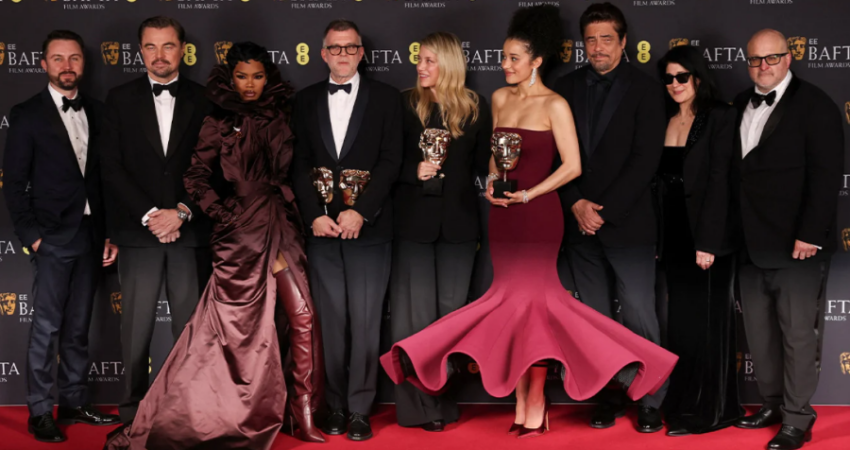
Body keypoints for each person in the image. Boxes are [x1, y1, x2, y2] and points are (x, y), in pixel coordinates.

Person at [381, 5, 677, 439]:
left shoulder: (556, 103)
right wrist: (493, 184)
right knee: (513, 312)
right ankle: (523, 399)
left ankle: (546, 398)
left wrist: (529, 195)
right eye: (503, 58)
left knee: (540, 313)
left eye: (513, 58)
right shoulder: (500, 99)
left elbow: (572, 166)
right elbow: (495, 158)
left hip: (539, 218)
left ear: (536, 61)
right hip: (504, 220)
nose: (504, 65)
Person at [104, 41, 318, 449]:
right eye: (242, 76)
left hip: (282, 224)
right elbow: (197, 177)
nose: (250, 84)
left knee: (301, 316)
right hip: (240, 233)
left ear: (268, 77)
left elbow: (297, 170)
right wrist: (222, 213)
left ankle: (302, 413)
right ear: (229, 79)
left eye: (257, 76)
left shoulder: (285, 116)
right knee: (237, 331)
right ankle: (218, 412)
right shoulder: (218, 120)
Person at [552, 2, 668, 432]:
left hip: (628, 223)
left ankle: (651, 397)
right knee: (594, 318)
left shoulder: (646, 89)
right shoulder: (564, 87)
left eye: (606, 38)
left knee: (638, 313)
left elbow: (645, 160)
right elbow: (553, 156)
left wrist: (603, 212)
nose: (597, 47)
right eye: (590, 40)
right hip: (577, 223)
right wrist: (576, 203)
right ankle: (608, 394)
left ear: (623, 41)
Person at [2, 30, 120, 443]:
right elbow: (13, 183)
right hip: (51, 238)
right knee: (47, 327)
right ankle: (39, 410)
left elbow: (105, 181)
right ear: (43, 64)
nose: (67, 66)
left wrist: (108, 234)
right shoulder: (27, 114)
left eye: (74, 58)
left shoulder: (99, 111)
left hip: (91, 236)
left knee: (78, 327)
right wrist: (32, 237)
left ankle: (73, 401)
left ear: (83, 63)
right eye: (58, 58)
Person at [290, 19, 402, 441]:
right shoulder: (304, 100)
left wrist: (362, 212)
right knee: (331, 325)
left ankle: (359, 409)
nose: (343, 54)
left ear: (361, 53)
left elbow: (391, 160)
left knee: (367, 323)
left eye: (350, 47)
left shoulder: (387, 98)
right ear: (323, 54)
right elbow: (297, 163)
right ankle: (334, 405)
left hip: (369, 230)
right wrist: (313, 215)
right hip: (322, 231)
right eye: (335, 48)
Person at [732, 29, 844, 450]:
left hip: (797, 244)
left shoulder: (816, 104)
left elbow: (826, 175)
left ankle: (798, 418)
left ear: (788, 58)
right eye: (755, 59)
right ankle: (773, 403)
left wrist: (810, 234)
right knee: (759, 334)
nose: (763, 66)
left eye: (771, 58)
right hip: (748, 242)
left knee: (798, 335)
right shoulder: (739, 103)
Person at [100, 16, 213, 431]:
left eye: (168, 46)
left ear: (182, 49)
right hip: (140, 233)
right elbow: (111, 168)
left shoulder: (206, 99)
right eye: (151, 46)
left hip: (189, 233)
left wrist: (181, 212)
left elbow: (216, 166)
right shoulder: (119, 98)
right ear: (140, 51)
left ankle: (188, 412)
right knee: (135, 331)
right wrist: (151, 216)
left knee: (191, 330)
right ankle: (132, 412)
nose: (159, 55)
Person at [389, 31, 492, 432]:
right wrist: (411, 171)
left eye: (429, 60)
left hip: (459, 229)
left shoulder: (475, 107)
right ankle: (419, 408)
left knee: (450, 320)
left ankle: (441, 399)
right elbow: (386, 162)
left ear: (448, 64)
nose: (420, 67)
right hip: (413, 226)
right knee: (413, 322)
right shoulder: (404, 104)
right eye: (419, 59)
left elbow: (485, 165)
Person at [654, 45, 743, 436]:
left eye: (682, 76)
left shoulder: (720, 116)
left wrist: (708, 243)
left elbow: (722, 181)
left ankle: (713, 412)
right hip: (674, 235)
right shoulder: (667, 118)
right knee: (683, 325)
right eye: (669, 78)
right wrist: (659, 239)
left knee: (709, 324)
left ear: (698, 77)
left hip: (707, 236)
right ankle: (684, 404)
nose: (675, 84)